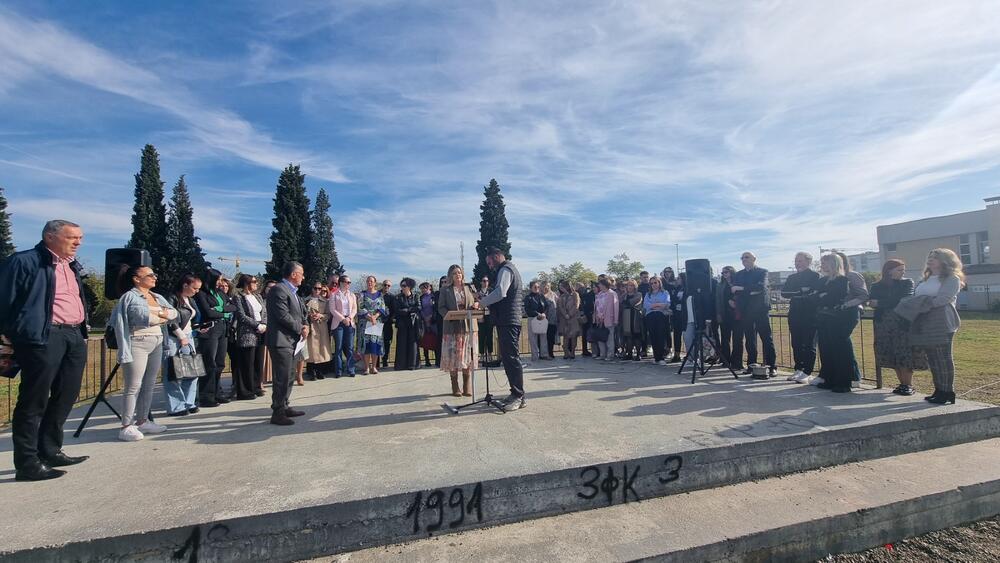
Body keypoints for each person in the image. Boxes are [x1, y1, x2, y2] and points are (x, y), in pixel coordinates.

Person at [0, 220, 89, 481]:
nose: (78, 242)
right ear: (50, 237)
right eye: (72, 237)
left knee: (67, 394)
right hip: (43, 336)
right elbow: (5, 299)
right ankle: (27, 463)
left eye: (80, 238)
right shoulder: (25, 261)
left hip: (73, 334)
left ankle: (50, 449)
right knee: (34, 400)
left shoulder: (71, 266)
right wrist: (11, 333)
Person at [110, 265, 178, 441]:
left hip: (156, 341)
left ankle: (142, 420)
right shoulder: (129, 297)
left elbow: (174, 313)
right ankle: (126, 425)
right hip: (137, 342)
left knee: (149, 384)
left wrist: (160, 314)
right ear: (136, 278)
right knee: (133, 385)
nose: (155, 277)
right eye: (150, 275)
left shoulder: (157, 296)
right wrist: (162, 316)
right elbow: (141, 317)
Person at [899, 249, 964, 405]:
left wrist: (921, 304)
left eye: (935, 257)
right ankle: (939, 389)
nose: (930, 260)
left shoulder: (951, 278)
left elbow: (943, 299)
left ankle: (947, 391)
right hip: (923, 321)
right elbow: (917, 298)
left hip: (941, 321)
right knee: (933, 359)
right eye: (930, 257)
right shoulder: (925, 279)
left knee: (943, 358)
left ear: (945, 260)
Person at [478, 247, 526, 412]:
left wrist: (482, 302)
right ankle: (515, 393)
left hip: (509, 320)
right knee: (508, 357)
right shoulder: (508, 269)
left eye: (490, 262)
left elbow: (500, 293)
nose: (490, 266)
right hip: (507, 320)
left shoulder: (505, 269)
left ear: (497, 256)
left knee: (511, 358)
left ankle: (519, 396)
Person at [870, 259, 926, 395]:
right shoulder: (876, 285)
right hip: (883, 323)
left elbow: (903, 299)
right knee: (892, 353)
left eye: (903, 270)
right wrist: (882, 303)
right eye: (899, 270)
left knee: (903, 352)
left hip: (901, 323)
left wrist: (881, 302)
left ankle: (908, 384)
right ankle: (902, 383)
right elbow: (872, 302)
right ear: (889, 271)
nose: (903, 273)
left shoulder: (907, 283)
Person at [266, 261, 308, 426]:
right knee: (281, 377)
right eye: (301, 274)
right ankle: (277, 412)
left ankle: (284, 405)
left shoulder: (294, 293)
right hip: (281, 340)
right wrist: (300, 328)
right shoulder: (278, 290)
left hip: (292, 341)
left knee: (290, 376)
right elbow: (282, 316)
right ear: (293, 274)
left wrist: (305, 325)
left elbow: (301, 313)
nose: (303, 277)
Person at [194, 269, 236, 407]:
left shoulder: (220, 293)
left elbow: (232, 307)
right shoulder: (201, 294)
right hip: (210, 331)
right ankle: (206, 395)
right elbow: (208, 312)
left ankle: (217, 392)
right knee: (209, 363)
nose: (220, 282)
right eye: (218, 279)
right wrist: (223, 312)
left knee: (219, 363)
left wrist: (219, 309)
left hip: (222, 330)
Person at [437, 265, 480, 397]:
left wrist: (476, 304)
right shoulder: (445, 290)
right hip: (452, 328)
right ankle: (455, 386)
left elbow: (477, 300)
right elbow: (441, 307)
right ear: (450, 276)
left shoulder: (469, 287)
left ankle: (467, 385)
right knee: (453, 357)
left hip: (468, 327)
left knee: (468, 356)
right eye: (455, 273)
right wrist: (449, 316)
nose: (458, 275)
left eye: (460, 273)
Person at [813, 254, 854, 393]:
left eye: (825, 263)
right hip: (823, 318)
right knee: (826, 350)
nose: (822, 266)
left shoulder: (842, 280)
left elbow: (835, 298)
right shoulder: (823, 280)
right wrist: (822, 296)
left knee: (839, 350)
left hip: (836, 319)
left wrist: (823, 296)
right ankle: (829, 379)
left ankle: (843, 382)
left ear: (833, 264)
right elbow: (815, 297)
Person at [732, 251, 776, 377]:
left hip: (760, 310)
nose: (744, 259)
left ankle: (771, 366)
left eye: (747, 257)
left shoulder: (762, 272)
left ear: (754, 259)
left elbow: (760, 287)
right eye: (742, 258)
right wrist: (748, 290)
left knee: (766, 339)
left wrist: (743, 289)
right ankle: (752, 365)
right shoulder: (739, 274)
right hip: (746, 311)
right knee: (750, 340)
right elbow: (735, 290)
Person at [164, 274, 203, 415]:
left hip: (189, 335)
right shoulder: (172, 298)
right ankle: (176, 406)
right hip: (174, 338)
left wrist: (199, 327)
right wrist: (180, 335)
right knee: (173, 373)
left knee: (192, 371)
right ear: (185, 285)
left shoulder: (190, 300)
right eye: (195, 288)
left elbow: (193, 318)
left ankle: (189, 402)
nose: (196, 291)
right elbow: (169, 319)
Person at [781, 252, 822, 383]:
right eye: (796, 261)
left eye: (800, 260)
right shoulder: (792, 277)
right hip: (795, 313)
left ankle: (807, 371)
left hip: (810, 314)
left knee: (809, 344)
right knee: (796, 343)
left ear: (808, 261)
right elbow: (784, 293)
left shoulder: (815, 276)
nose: (798, 263)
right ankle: (798, 368)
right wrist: (800, 292)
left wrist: (800, 293)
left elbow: (813, 294)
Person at [835, 251, 870, 387]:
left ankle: (854, 376)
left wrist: (846, 305)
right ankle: (842, 374)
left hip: (849, 313)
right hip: (836, 314)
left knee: (844, 342)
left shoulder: (853, 276)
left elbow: (863, 295)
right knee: (838, 345)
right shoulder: (832, 277)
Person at [233, 275, 267, 398]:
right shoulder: (238, 297)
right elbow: (241, 316)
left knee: (258, 361)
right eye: (254, 281)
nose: (256, 283)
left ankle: (256, 386)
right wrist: (256, 325)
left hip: (261, 332)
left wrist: (263, 324)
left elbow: (264, 311)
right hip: (248, 333)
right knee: (247, 363)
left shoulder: (257, 296)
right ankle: (245, 391)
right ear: (246, 283)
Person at [357, 275, 388, 375]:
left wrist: (375, 317)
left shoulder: (380, 295)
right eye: (368, 281)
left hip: (376, 322)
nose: (370, 283)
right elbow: (360, 307)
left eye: (371, 281)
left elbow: (382, 307)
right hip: (365, 322)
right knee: (366, 346)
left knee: (374, 345)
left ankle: (374, 367)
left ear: (375, 283)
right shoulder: (362, 294)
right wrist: (369, 317)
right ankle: (366, 368)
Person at [329, 275, 358, 377]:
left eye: (350, 282)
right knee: (339, 348)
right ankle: (338, 371)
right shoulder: (334, 294)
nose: (349, 284)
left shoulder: (352, 295)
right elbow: (332, 310)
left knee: (350, 347)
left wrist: (349, 318)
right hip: (338, 322)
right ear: (341, 282)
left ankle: (351, 369)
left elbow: (355, 309)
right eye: (347, 282)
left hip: (349, 322)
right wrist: (343, 319)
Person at [304, 282, 333, 379]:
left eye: (319, 289)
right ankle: (311, 371)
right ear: (312, 289)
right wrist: (309, 316)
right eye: (315, 288)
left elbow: (328, 314)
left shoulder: (325, 301)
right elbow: (301, 314)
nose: (317, 290)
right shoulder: (305, 300)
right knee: (311, 349)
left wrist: (321, 315)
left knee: (321, 349)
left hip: (321, 327)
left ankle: (320, 370)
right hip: (311, 326)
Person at [715, 266, 741, 370]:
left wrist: (735, 303)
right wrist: (718, 314)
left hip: (737, 315)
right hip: (725, 314)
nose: (724, 274)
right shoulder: (720, 285)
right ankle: (725, 360)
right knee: (725, 339)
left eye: (726, 272)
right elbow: (717, 300)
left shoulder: (738, 283)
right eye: (723, 273)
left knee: (737, 339)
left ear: (732, 272)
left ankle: (737, 362)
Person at [393, 278, 421, 370]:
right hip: (402, 324)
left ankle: (412, 364)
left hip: (413, 324)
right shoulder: (397, 297)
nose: (402, 287)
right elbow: (397, 310)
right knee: (402, 344)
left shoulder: (416, 296)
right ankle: (401, 365)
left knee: (413, 344)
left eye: (404, 286)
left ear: (410, 287)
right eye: (402, 285)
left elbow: (418, 307)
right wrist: (409, 310)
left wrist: (407, 310)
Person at [644, 276, 672, 364]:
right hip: (650, 316)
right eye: (651, 283)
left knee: (661, 336)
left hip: (661, 316)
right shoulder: (648, 294)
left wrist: (654, 305)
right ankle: (656, 357)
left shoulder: (665, 293)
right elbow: (646, 305)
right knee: (653, 336)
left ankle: (661, 357)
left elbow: (666, 304)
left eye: (655, 282)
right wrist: (658, 304)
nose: (653, 285)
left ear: (659, 283)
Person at [594, 278, 619, 361]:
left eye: (600, 284)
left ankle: (610, 355)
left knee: (609, 338)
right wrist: (597, 316)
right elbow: (596, 306)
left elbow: (616, 307)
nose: (598, 286)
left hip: (609, 318)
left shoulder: (612, 294)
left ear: (604, 285)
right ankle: (602, 354)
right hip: (599, 319)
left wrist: (615, 320)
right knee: (600, 337)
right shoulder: (599, 294)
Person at [523, 281, 550, 362]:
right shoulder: (528, 297)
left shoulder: (541, 296)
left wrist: (544, 313)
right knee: (533, 338)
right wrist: (537, 314)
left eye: (538, 287)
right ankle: (535, 356)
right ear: (531, 288)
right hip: (532, 318)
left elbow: (546, 306)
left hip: (542, 318)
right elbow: (528, 309)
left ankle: (544, 355)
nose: (537, 288)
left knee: (543, 337)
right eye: (535, 287)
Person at [619, 279, 644, 361]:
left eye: (632, 285)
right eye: (629, 285)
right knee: (628, 335)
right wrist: (624, 303)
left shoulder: (639, 294)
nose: (630, 287)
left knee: (637, 335)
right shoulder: (624, 295)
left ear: (635, 286)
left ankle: (638, 354)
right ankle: (629, 353)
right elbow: (621, 304)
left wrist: (626, 303)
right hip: (626, 316)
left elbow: (632, 302)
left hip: (635, 316)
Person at [556, 280, 581, 359]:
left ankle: (573, 352)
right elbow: (560, 307)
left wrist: (570, 314)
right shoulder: (562, 296)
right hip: (564, 319)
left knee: (573, 336)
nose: (561, 289)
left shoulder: (575, 294)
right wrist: (565, 315)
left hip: (573, 318)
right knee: (565, 336)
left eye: (562, 287)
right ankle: (566, 353)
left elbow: (576, 305)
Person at [662, 267, 682, 361]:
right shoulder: (662, 282)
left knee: (676, 332)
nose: (667, 273)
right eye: (665, 272)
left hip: (676, 311)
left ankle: (676, 353)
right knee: (666, 330)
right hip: (666, 308)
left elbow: (671, 286)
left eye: (669, 272)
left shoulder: (674, 282)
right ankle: (667, 349)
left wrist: (665, 280)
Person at [477, 276, 496, 363]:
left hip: (489, 316)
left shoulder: (491, 292)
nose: (485, 282)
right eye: (484, 281)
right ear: (481, 282)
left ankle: (490, 354)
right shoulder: (477, 293)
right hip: (481, 316)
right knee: (481, 336)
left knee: (489, 336)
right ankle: (481, 355)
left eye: (487, 281)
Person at [419, 282, 438, 367]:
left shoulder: (434, 296)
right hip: (424, 320)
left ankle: (438, 359)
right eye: (421, 288)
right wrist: (425, 318)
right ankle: (427, 360)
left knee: (435, 339)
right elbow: (420, 309)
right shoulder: (421, 297)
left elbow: (436, 308)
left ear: (429, 287)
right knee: (425, 340)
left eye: (424, 288)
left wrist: (431, 317)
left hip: (433, 320)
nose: (423, 290)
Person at [542, 281, 559, 359]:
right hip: (543, 320)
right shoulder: (540, 296)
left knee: (551, 337)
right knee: (543, 338)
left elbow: (558, 304)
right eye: (545, 286)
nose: (546, 287)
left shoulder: (553, 295)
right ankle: (543, 353)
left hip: (553, 319)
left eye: (548, 286)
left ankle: (550, 352)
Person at [380, 279, 395, 369]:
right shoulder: (377, 294)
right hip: (376, 322)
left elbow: (394, 310)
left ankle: (385, 360)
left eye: (388, 285)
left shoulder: (392, 297)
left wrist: (391, 318)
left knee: (387, 342)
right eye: (385, 285)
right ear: (382, 285)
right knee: (376, 342)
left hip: (387, 323)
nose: (386, 287)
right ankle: (376, 362)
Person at [579, 282, 595, 357]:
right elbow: (583, 305)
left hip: (592, 315)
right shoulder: (588, 295)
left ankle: (593, 350)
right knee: (586, 333)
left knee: (591, 333)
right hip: (588, 316)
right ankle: (585, 350)